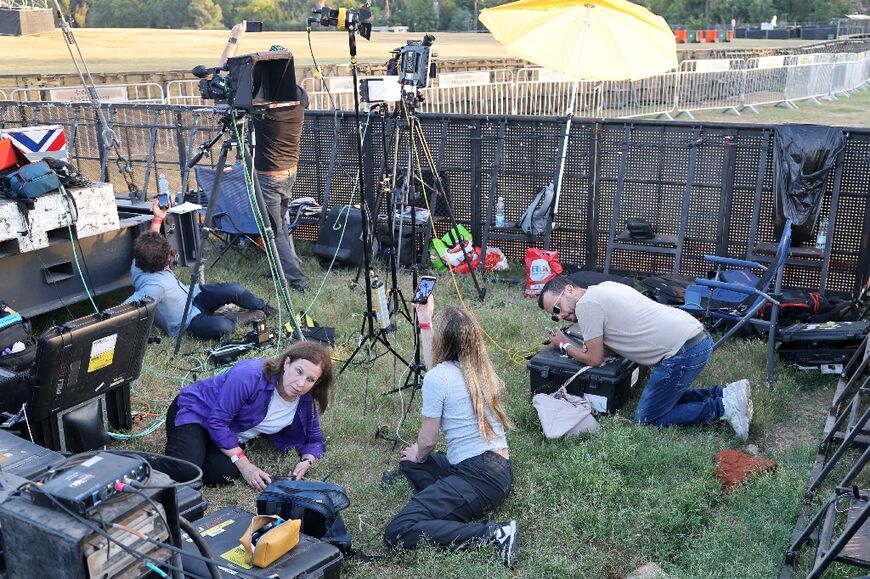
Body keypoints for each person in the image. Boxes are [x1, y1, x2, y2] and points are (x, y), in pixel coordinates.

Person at [384, 299, 519, 568]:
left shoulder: (439, 378)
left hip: (478, 476)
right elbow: (436, 370)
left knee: (398, 531)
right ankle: (444, 504)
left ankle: (495, 534)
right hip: (498, 469)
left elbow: (428, 441)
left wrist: (420, 452)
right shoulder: (479, 369)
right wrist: (425, 320)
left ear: (442, 341)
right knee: (409, 461)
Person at [538, 275, 753, 440]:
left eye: (557, 308)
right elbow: (610, 347)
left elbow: (594, 360)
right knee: (665, 400)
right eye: (553, 315)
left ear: (569, 289)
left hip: (682, 353)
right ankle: (724, 393)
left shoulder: (586, 305)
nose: (560, 316)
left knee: (647, 418)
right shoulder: (604, 288)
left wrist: (563, 345)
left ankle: (724, 407)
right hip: (696, 338)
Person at [158, 342, 334, 489]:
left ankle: (200, 451)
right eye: (299, 371)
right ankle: (135, 462)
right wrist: (245, 464)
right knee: (187, 470)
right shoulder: (249, 375)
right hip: (198, 412)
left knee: (220, 475)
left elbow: (315, 440)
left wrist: (306, 462)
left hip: (228, 433)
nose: (301, 383)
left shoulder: (304, 400)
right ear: (287, 363)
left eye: (310, 379)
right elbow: (217, 422)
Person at [219, 21, 308, 292]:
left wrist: (234, 38)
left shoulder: (264, 107)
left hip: (269, 176)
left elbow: (223, 76)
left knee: (275, 230)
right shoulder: (298, 99)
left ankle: (295, 280)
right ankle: (284, 268)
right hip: (289, 170)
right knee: (281, 222)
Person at [124, 201, 275, 339]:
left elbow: (152, 239)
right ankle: (233, 318)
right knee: (224, 327)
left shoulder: (139, 260)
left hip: (192, 295)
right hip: (188, 321)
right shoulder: (154, 288)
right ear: (164, 263)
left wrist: (158, 218)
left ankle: (264, 308)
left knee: (233, 288)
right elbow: (125, 310)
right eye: (168, 257)